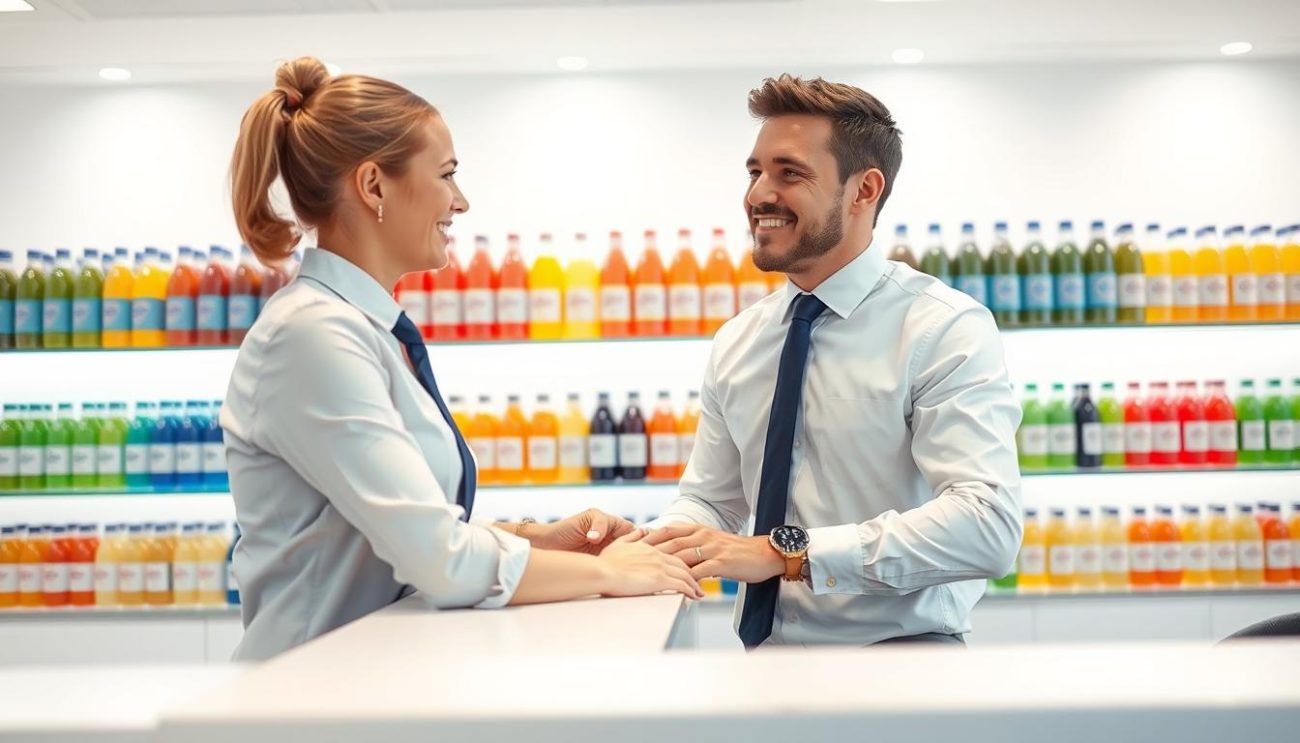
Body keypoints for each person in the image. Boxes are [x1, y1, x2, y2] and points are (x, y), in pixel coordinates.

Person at [223, 57, 701, 661]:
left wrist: (538, 540)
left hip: (368, 674)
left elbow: (399, 536)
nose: (462, 201)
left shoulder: (362, 330)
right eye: (447, 175)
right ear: (373, 186)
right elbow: (440, 560)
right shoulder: (312, 337)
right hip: (308, 688)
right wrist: (610, 572)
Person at [646, 75, 1022, 648]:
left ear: (863, 190)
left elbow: (986, 527)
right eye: (754, 172)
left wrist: (784, 554)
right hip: (763, 665)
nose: (757, 195)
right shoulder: (740, 339)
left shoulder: (943, 328)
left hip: (904, 667)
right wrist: (650, 543)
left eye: (788, 173)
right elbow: (713, 499)